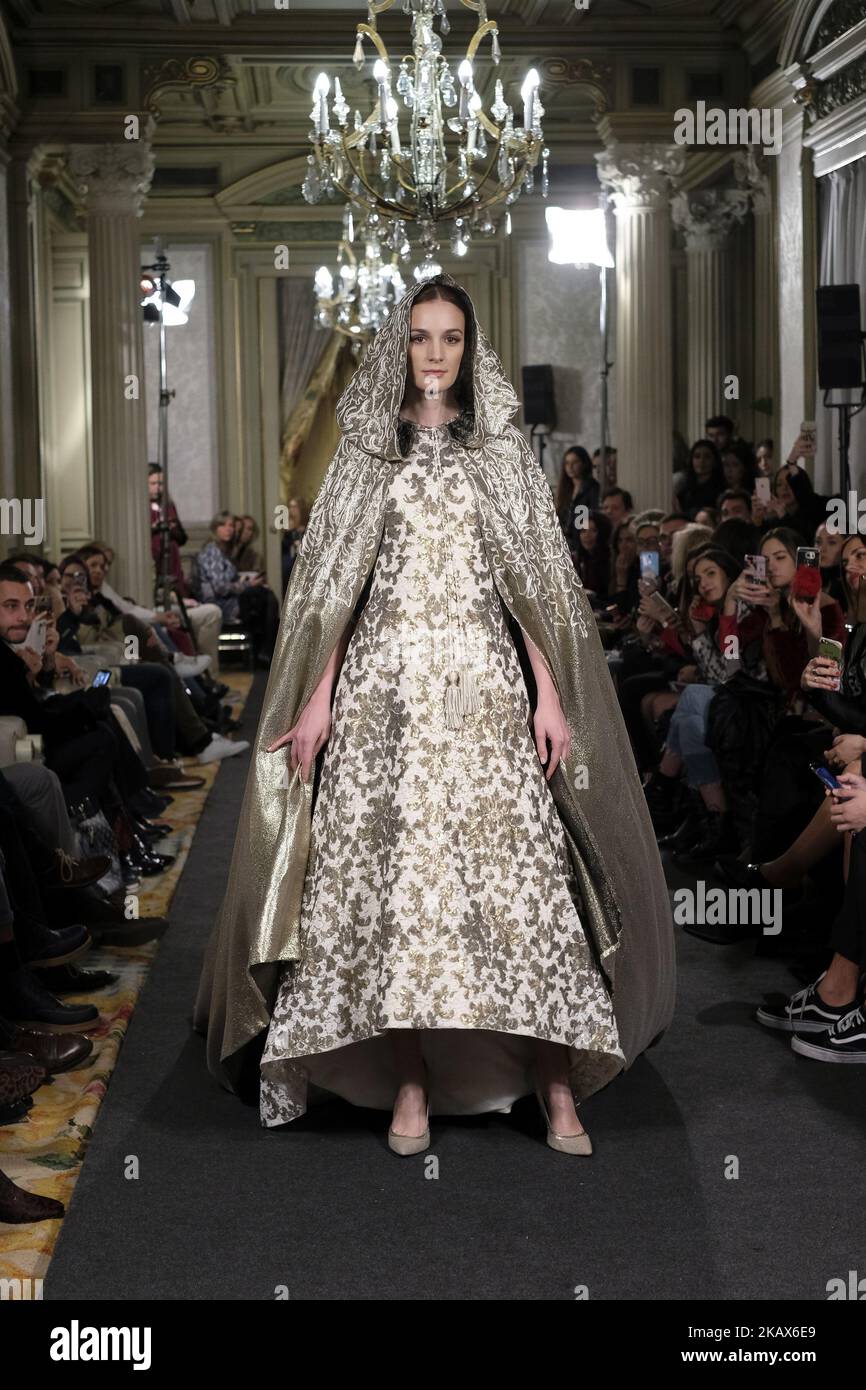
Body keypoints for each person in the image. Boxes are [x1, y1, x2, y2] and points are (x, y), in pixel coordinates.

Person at [194, 273, 674, 1157]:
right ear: (401, 343)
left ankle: (554, 1080)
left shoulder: (500, 453)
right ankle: (408, 1081)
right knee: (398, 884)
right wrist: (315, 699)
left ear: (470, 345)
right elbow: (338, 592)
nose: (436, 354)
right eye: (422, 337)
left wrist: (552, 693)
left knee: (518, 881)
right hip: (384, 689)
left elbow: (533, 590)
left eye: (451, 337)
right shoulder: (366, 453)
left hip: (482, 685)